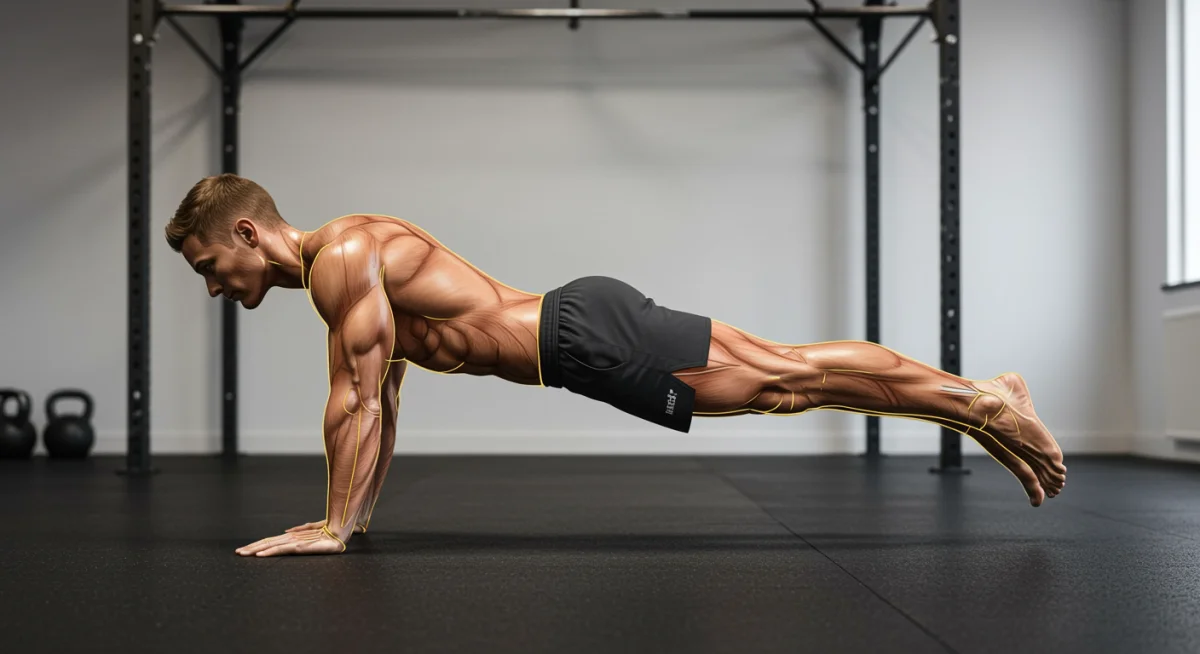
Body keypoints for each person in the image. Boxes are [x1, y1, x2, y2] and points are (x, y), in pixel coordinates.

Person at [165, 174, 1067, 557]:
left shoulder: (341, 258)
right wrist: (349, 523)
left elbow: (356, 401)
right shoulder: (348, 264)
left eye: (211, 266)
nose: (215, 286)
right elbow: (384, 403)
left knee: (784, 376)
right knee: (781, 386)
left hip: (580, 334)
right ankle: (975, 401)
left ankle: (981, 399)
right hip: (580, 340)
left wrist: (328, 527)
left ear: (247, 232)